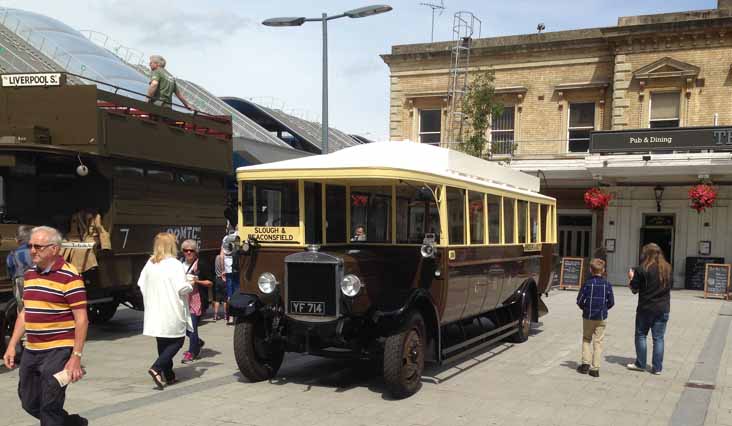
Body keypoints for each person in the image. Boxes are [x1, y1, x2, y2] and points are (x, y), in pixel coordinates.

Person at [3, 226, 89, 426]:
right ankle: (73, 424)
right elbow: (26, 312)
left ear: (54, 249)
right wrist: (11, 345)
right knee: (29, 401)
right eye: (31, 245)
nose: (33, 250)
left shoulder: (70, 277)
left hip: (58, 350)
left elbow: (82, 319)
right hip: (32, 349)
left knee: (50, 404)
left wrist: (75, 357)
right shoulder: (30, 274)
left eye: (38, 247)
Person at [137, 233, 192, 389]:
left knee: (163, 341)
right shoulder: (175, 264)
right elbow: (182, 288)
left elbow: (141, 283)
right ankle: (156, 367)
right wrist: (190, 284)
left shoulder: (150, 263)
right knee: (177, 340)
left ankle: (169, 375)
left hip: (155, 309)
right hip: (171, 308)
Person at [626, 243, 672, 375]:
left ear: (646, 254)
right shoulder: (667, 268)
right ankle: (657, 368)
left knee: (641, 335)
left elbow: (634, 289)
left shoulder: (642, 269)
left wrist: (631, 278)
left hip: (645, 308)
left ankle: (641, 363)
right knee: (659, 338)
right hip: (662, 308)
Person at [575, 258, 615, 378]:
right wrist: (604, 309)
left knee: (586, 339)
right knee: (598, 342)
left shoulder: (587, 284)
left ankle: (585, 364)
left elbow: (580, 300)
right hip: (601, 317)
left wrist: (585, 308)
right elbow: (611, 302)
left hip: (588, 316)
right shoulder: (607, 284)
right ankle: (595, 368)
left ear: (590, 270)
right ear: (603, 270)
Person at [180, 240, 213, 363]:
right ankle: (197, 342)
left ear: (195, 252)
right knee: (183, 327)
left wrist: (197, 281)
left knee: (192, 327)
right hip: (182, 300)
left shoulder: (201, 264)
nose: (188, 252)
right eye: (186, 250)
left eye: (191, 250)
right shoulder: (179, 264)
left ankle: (191, 352)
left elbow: (210, 283)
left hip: (196, 301)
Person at [7, 225, 33, 311]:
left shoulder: (12, 254)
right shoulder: (35, 252)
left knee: (21, 305)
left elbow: (10, 268)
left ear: (17, 240)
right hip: (36, 278)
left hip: (19, 280)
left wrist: (12, 276)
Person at [222, 233, 239, 326]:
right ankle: (233, 317)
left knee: (230, 296)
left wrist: (222, 269)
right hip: (234, 269)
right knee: (235, 294)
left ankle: (230, 317)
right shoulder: (238, 236)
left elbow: (222, 253)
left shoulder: (226, 237)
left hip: (230, 269)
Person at [212, 252, 226, 322]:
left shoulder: (216, 257)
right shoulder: (225, 258)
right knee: (225, 299)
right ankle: (226, 315)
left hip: (217, 278)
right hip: (224, 278)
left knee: (217, 299)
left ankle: (215, 315)